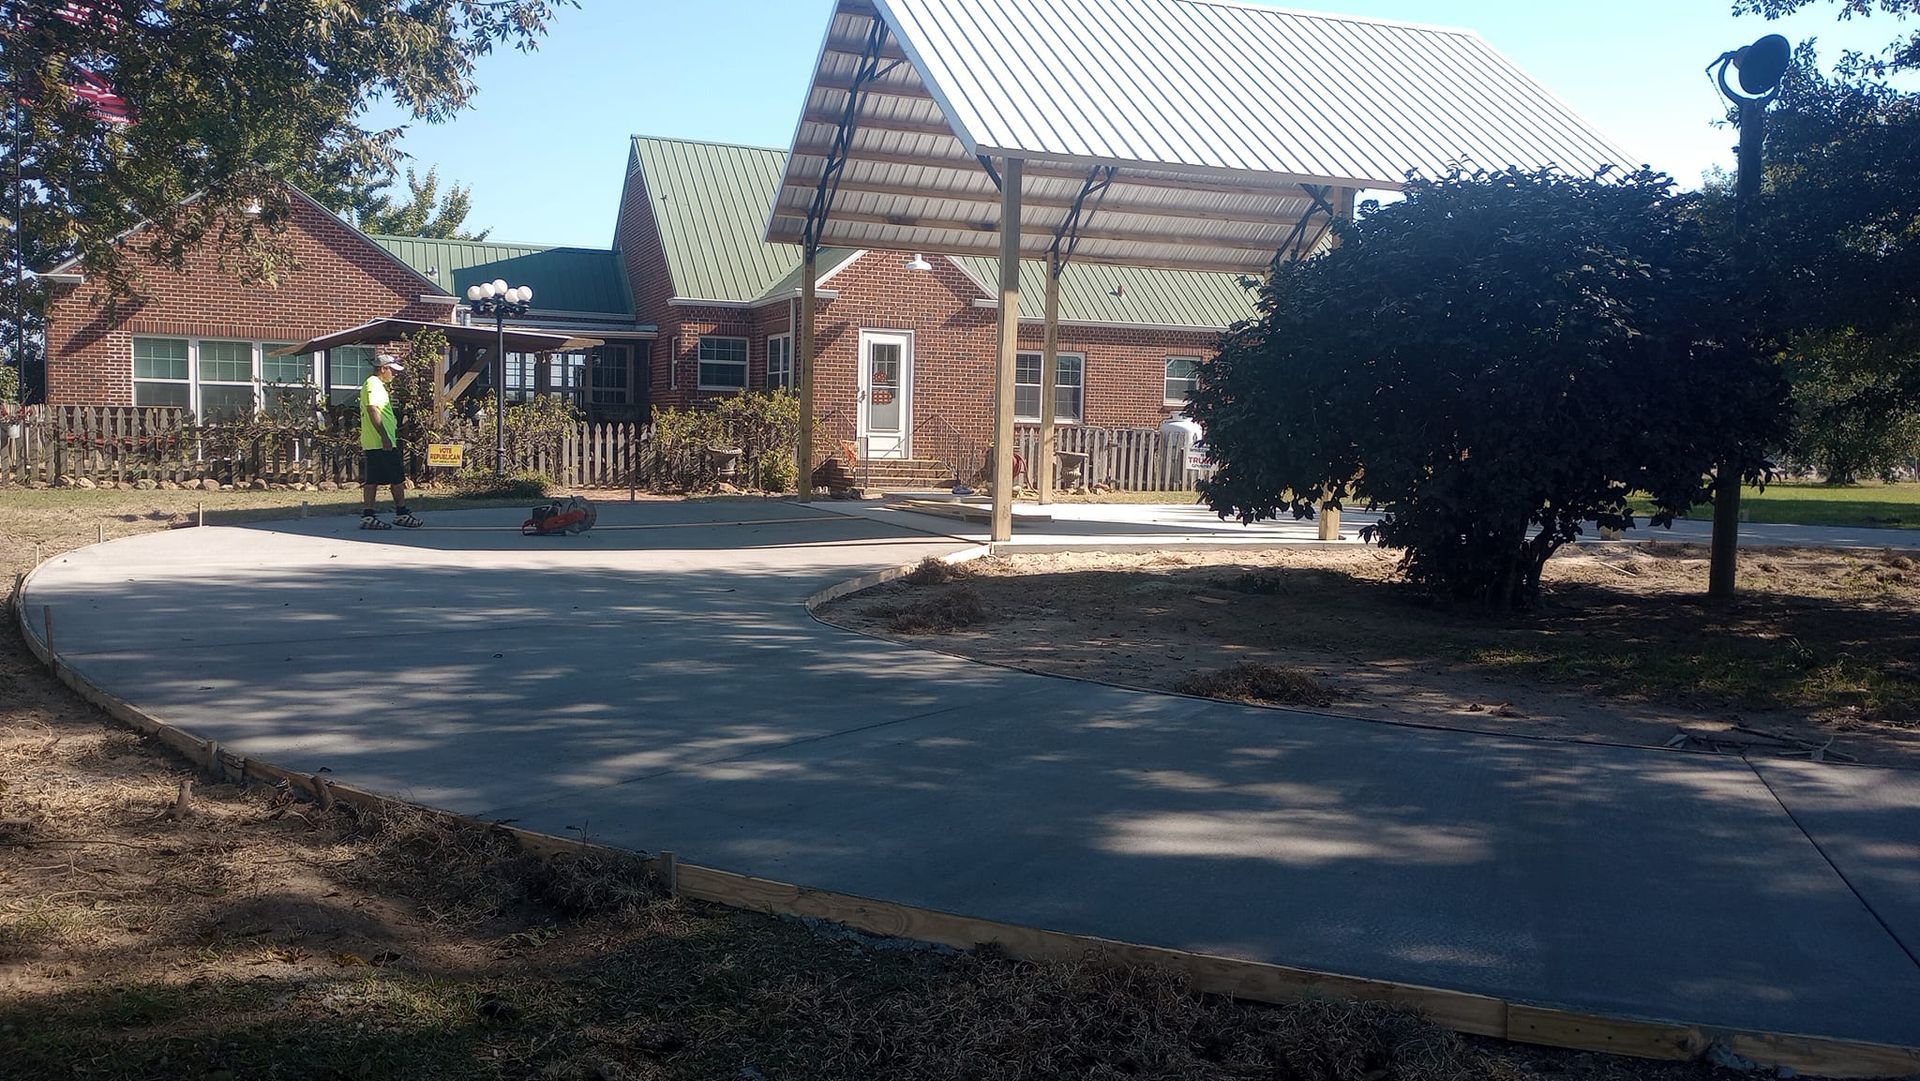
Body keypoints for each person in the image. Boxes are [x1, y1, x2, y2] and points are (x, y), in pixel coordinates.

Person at [359, 353, 421, 529]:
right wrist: (385, 436)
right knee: (396, 478)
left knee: (376, 479)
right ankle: (400, 513)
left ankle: (369, 515)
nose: (394, 374)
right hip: (380, 442)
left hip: (378, 442)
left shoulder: (377, 385)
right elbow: (372, 409)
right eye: (392, 371)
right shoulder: (373, 384)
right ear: (383, 369)